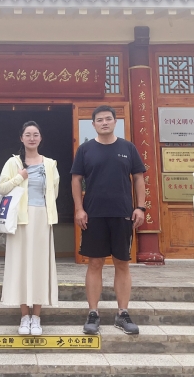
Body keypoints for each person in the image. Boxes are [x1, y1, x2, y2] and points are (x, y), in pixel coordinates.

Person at [71, 105, 146, 335]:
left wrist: (140, 207)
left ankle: (122, 313)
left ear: (115, 122)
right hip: (93, 214)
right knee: (95, 263)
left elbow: (138, 178)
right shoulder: (85, 149)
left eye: (108, 119)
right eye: (100, 120)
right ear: (93, 124)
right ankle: (93, 313)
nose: (104, 122)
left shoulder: (128, 148)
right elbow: (76, 179)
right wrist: (79, 209)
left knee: (122, 263)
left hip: (122, 213)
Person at [0, 121, 59, 336]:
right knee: (21, 265)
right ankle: (24, 316)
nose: (32, 138)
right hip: (19, 220)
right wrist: (19, 177)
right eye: (28, 134)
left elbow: (53, 193)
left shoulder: (49, 164)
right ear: (21, 138)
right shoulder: (13, 162)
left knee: (40, 265)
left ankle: (37, 317)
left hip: (42, 217)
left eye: (35, 134)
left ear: (40, 138)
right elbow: (2, 188)